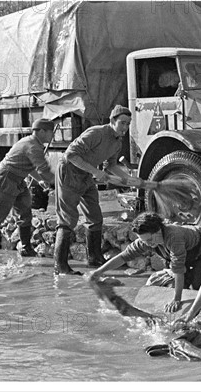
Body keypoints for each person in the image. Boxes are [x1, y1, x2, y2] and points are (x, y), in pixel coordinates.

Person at [53, 105, 134, 275]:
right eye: (122, 123)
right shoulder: (96, 133)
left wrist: (129, 179)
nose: (125, 128)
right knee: (68, 219)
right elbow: (71, 155)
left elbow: (111, 165)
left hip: (86, 174)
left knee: (95, 217)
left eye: (128, 124)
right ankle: (60, 266)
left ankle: (95, 258)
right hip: (70, 171)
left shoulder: (117, 142)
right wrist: (96, 172)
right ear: (112, 121)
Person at [89, 212, 201, 312]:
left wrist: (177, 299)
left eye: (149, 239)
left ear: (158, 230)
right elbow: (123, 257)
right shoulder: (146, 240)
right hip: (181, 254)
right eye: (144, 241)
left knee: (199, 286)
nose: (147, 244)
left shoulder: (174, 237)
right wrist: (99, 272)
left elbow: (178, 268)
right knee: (181, 283)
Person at [0, 118, 56, 268]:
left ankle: (26, 248)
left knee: (25, 213)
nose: (52, 136)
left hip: (18, 181)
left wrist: (40, 181)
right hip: (5, 181)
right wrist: (58, 182)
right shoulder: (33, 146)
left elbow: (29, 166)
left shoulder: (31, 143)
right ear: (42, 132)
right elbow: (44, 170)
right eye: (50, 132)